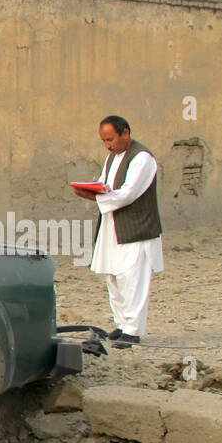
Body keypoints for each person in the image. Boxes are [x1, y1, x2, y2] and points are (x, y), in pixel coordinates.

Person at [73, 115, 164, 349]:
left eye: (111, 139)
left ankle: (133, 330)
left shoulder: (142, 158)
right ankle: (122, 324)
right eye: (104, 141)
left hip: (136, 227)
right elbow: (105, 184)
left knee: (132, 277)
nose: (108, 145)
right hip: (111, 226)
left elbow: (128, 193)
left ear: (126, 133)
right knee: (113, 275)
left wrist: (97, 197)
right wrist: (92, 190)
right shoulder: (111, 158)